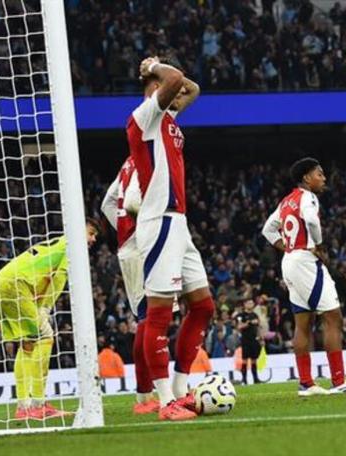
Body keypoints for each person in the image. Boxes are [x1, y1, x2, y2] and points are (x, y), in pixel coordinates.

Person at [127, 56, 214, 420]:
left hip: (179, 224)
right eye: (171, 92)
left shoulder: (168, 119)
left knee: (203, 306)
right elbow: (178, 79)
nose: (181, 95)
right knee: (159, 314)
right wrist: (155, 66)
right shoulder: (144, 117)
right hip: (158, 221)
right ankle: (164, 402)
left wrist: (168, 78)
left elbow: (192, 87)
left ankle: (180, 386)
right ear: (157, 89)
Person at [262, 157, 346, 396]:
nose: (323, 178)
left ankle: (306, 384)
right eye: (319, 174)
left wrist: (286, 247)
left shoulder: (286, 201)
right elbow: (311, 220)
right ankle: (339, 381)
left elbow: (268, 229)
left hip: (289, 261)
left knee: (303, 322)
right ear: (306, 178)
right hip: (306, 262)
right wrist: (319, 246)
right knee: (333, 318)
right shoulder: (307, 197)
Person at [0, 220, 99, 419]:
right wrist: (46, 307)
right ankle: (38, 404)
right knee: (45, 337)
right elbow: (59, 277)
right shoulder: (70, 245)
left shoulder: (54, 244)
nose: (94, 239)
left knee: (27, 343)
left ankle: (23, 407)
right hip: (16, 285)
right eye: (91, 233)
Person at [101, 156, 158, 415]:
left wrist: (123, 229)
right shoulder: (147, 156)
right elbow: (134, 201)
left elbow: (107, 204)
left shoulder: (127, 162)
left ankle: (146, 392)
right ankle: (146, 395)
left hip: (128, 246)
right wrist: (138, 229)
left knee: (146, 317)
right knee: (152, 317)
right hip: (141, 245)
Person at [235, 299, 261, 385]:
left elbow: (258, 326)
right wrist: (248, 323)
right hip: (245, 340)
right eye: (249, 303)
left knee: (254, 360)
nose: (251, 304)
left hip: (254, 339)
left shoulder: (255, 315)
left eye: (252, 303)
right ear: (245, 304)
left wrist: (260, 337)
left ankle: (256, 379)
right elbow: (239, 327)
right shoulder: (241, 316)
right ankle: (244, 380)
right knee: (244, 360)